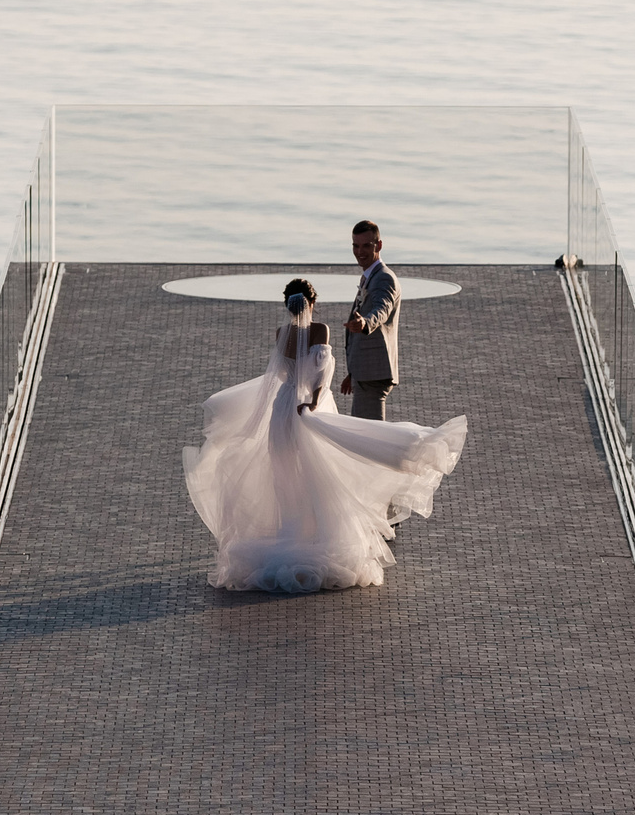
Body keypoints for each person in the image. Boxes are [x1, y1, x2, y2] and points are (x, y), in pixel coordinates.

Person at [183, 276, 467, 593]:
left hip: (281, 410)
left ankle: (289, 532)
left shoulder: (281, 334)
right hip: (307, 407)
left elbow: (277, 376)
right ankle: (317, 537)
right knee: (318, 472)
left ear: (287, 305)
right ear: (312, 303)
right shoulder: (320, 331)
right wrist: (315, 401)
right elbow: (322, 373)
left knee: (285, 474)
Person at [338, 219, 398, 419]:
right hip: (365, 373)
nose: (359, 252)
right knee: (364, 436)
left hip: (374, 374)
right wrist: (353, 373)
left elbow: (382, 309)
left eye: (366, 245)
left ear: (379, 245)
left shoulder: (384, 278)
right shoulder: (369, 277)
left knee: (370, 438)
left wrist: (365, 323)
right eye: (355, 246)